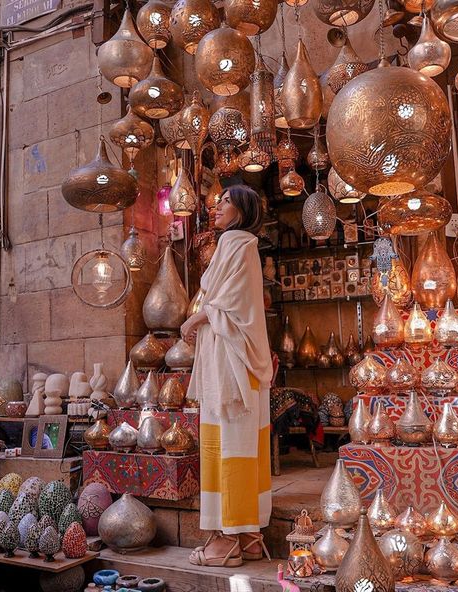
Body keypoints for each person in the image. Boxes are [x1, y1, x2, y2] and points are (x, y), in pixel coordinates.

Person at [180, 184, 273, 568]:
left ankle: (227, 541)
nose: (216, 206)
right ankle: (249, 536)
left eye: (226, 202)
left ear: (243, 210)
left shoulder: (237, 243)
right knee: (243, 445)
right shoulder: (242, 244)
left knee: (229, 446)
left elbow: (228, 303)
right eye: (217, 201)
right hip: (238, 361)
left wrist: (195, 318)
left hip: (232, 363)